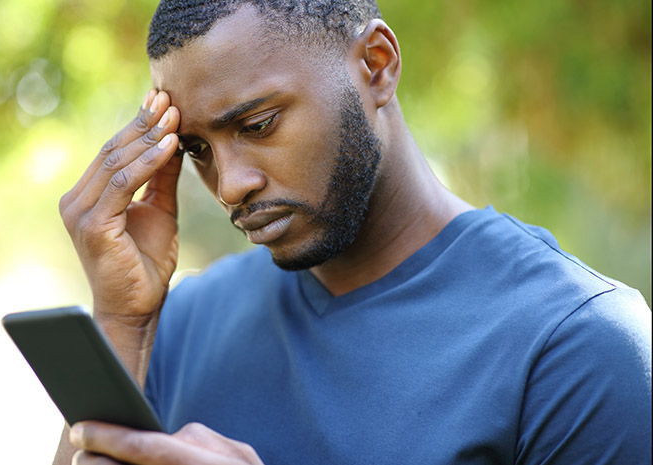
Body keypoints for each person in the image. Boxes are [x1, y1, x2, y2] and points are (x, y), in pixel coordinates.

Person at [54, 1, 652, 464]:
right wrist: (121, 324)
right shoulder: (181, 324)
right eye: (196, 149)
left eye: (258, 124)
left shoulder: (575, 344)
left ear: (376, 65)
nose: (230, 185)